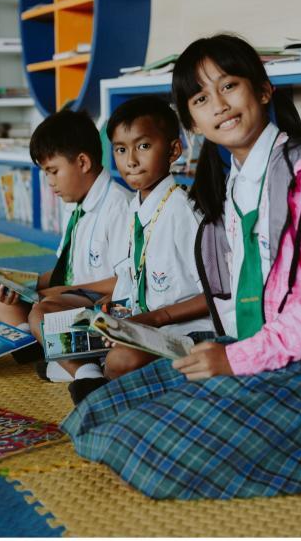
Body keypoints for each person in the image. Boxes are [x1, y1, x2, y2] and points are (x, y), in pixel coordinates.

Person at [61, 33, 301, 501]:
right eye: (202, 97)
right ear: (191, 121)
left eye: (229, 85)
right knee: (97, 414)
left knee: (153, 454)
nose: (220, 105)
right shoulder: (234, 185)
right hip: (266, 349)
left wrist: (235, 359)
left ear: (263, 90)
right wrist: (225, 353)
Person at [67, 95, 215, 403]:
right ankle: (97, 376)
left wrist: (154, 319)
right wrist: (107, 313)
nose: (130, 160)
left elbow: (216, 293)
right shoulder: (136, 208)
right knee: (63, 329)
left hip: (189, 331)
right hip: (144, 323)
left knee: (123, 360)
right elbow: (130, 280)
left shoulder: (182, 211)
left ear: (174, 150)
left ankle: (101, 377)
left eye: (143, 146)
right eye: (121, 149)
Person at [0, 108, 131, 383]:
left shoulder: (119, 206)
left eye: (53, 171)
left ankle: (85, 375)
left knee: (44, 310)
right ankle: (43, 349)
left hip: (99, 303)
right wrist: (24, 283)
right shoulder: (76, 207)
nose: (49, 182)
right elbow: (67, 266)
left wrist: (60, 290)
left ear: (83, 162)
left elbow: (126, 281)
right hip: (69, 297)